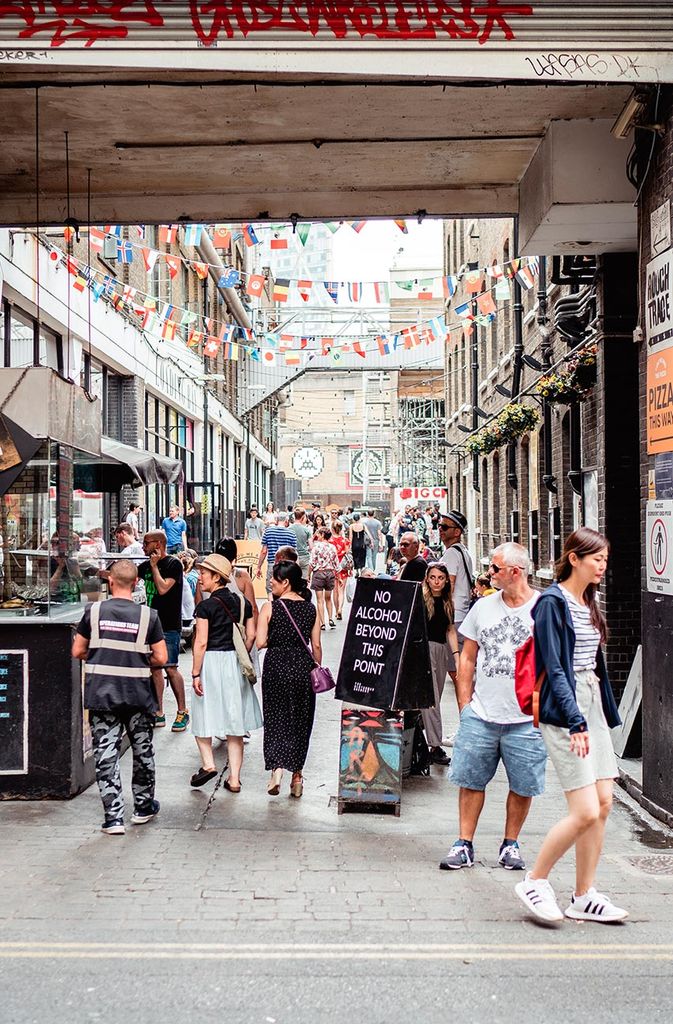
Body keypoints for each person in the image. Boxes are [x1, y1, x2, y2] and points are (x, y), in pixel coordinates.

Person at [515, 528, 626, 924]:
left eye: (606, 560)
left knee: (604, 804)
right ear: (574, 558)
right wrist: (575, 718)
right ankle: (535, 879)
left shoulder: (588, 602)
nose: (602, 566)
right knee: (583, 811)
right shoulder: (552, 602)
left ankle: (584, 895)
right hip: (564, 709)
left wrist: (600, 715)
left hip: (591, 704)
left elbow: (592, 664)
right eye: (597, 559)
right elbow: (556, 667)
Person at [440, 543, 547, 872]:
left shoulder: (544, 609)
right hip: (482, 714)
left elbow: (555, 662)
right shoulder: (483, 608)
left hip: (526, 717)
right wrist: (464, 705)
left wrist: (542, 711)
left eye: (495, 569)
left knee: (522, 784)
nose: (488, 573)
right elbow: (468, 657)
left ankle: (510, 843)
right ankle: (464, 843)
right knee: (470, 780)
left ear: (515, 571)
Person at [72, 559, 167, 835]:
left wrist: (103, 654)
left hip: (103, 694)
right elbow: (161, 657)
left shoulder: (94, 611)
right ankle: (142, 807)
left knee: (106, 754)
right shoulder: (149, 616)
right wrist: (136, 659)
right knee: (142, 751)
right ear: (136, 583)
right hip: (138, 694)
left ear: (110, 582)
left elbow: (78, 650)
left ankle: (113, 818)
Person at [190, 554, 262, 790]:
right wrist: (241, 651)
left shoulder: (205, 606)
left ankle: (209, 764)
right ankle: (234, 779)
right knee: (235, 722)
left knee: (203, 714)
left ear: (217, 577)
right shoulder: (243, 603)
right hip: (234, 661)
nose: (200, 577)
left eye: (204, 573)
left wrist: (195, 673)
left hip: (210, 661)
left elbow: (200, 642)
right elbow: (251, 635)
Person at [256, 561, 321, 799]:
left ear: (285, 582)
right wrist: (316, 667)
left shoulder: (270, 608)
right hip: (303, 669)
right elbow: (316, 646)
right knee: (301, 722)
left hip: (275, 667)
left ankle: (276, 770)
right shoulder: (311, 609)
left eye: (274, 578)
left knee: (276, 718)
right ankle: (297, 778)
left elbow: (261, 642)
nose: (270, 581)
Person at [138, 530, 189, 732]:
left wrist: (154, 567)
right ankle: (159, 711)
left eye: (147, 543)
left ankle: (182, 711)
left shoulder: (173, 564)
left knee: (170, 667)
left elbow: (162, 588)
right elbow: (126, 575)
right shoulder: (145, 565)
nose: (143, 546)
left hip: (168, 625)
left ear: (158, 544)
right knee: (155, 668)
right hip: (150, 625)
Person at [422, 562, 459, 766]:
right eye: (433, 577)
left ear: (446, 581)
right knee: (432, 700)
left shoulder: (447, 602)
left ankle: (425, 741)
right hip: (424, 651)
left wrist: (457, 656)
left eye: (441, 578)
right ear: (427, 578)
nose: (436, 581)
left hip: (441, 650)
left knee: (433, 698)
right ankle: (435, 745)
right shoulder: (420, 599)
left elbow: (450, 630)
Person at [439, 509, 474, 641]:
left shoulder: (451, 554)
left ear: (457, 532)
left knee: (450, 658)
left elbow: (449, 585)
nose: (440, 530)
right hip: (461, 614)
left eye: (445, 527)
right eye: (440, 526)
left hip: (452, 616)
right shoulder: (463, 551)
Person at [255, 511, 297, 594]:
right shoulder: (292, 533)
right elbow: (294, 553)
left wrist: (259, 567)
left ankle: (272, 605)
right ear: (286, 521)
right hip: (287, 566)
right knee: (286, 588)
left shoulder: (268, 532)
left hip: (273, 564)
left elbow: (264, 551)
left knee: (271, 589)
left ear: (276, 520)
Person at [309, 527, 339, 630]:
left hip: (319, 573)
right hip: (330, 573)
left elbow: (312, 563)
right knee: (328, 598)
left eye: (319, 534)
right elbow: (336, 563)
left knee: (319, 600)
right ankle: (330, 618)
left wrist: (308, 575)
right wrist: (338, 577)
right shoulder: (332, 547)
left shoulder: (316, 547)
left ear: (322, 535)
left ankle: (322, 623)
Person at [329, 519, 350, 620]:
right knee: (341, 590)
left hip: (333, 567)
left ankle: (336, 611)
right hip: (343, 566)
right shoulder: (345, 541)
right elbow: (347, 553)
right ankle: (340, 609)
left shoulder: (330, 541)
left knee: (335, 591)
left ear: (332, 529)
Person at [289, 507, 313, 578]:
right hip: (304, 557)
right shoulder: (307, 530)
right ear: (303, 517)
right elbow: (311, 547)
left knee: (293, 580)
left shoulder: (288, 529)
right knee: (304, 580)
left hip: (292, 556)